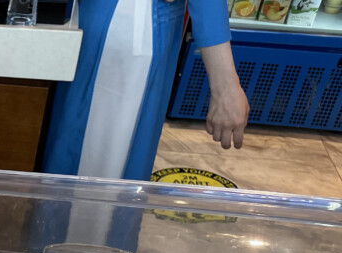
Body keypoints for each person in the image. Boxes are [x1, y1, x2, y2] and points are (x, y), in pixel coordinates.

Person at [42, 0, 250, 181]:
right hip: (130, 30)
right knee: (100, 174)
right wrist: (225, 87)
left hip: (110, 24)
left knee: (76, 146)